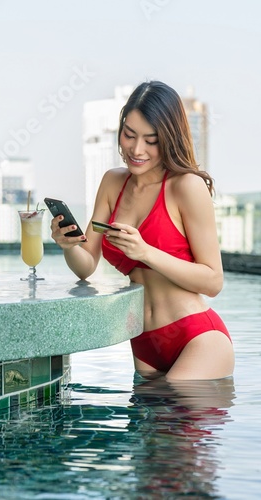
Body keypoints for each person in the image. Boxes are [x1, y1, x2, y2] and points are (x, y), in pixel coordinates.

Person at [50, 80, 235, 381]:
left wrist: (145, 252)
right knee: (150, 425)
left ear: (169, 139)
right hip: (145, 343)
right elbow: (86, 266)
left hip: (198, 338)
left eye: (151, 140)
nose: (137, 149)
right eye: (129, 135)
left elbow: (213, 281)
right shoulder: (113, 183)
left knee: (170, 413)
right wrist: (69, 245)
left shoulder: (186, 186)